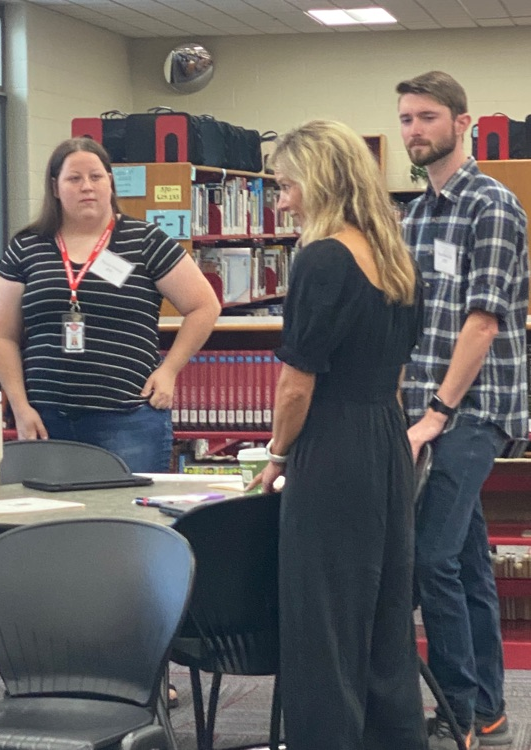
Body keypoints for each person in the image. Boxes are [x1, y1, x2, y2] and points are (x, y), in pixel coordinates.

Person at [251, 120, 427, 750]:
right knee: (384, 616)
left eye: (287, 186)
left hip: (332, 446)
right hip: (386, 437)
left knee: (322, 625)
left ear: (320, 180)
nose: (283, 202)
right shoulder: (395, 257)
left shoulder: (323, 258)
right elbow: (398, 372)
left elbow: (297, 385)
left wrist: (276, 454)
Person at [397, 71, 529, 750]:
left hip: (475, 408)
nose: (415, 130)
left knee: (430, 558)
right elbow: (408, 318)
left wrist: (435, 415)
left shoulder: (493, 205)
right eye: (406, 119)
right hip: (425, 403)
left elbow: (484, 322)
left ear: (461, 122)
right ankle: (489, 711)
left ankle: (459, 711)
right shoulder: (415, 215)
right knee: (468, 561)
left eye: (427, 117)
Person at [0, 137, 220, 473]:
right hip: (45, 418)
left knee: (127, 508)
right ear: (54, 188)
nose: (87, 186)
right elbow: (2, 335)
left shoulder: (145, 240)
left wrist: (169, 370)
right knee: (48, 508)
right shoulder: (27, 247)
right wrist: (20, 407)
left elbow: (204, 306)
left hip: (128, 419)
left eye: (96, 177)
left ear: (110, 182)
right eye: (74, 178)